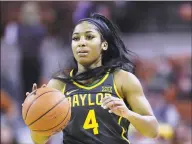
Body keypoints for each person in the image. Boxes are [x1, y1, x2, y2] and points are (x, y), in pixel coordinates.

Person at [25, 13, 159, 144]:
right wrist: (36, 111)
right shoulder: (59, 84)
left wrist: (128, 114)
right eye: (76, 38)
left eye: (89, 37)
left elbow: (153, 130)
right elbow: (39, 140)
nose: (81, 43)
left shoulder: (123, 79)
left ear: (104, 45)